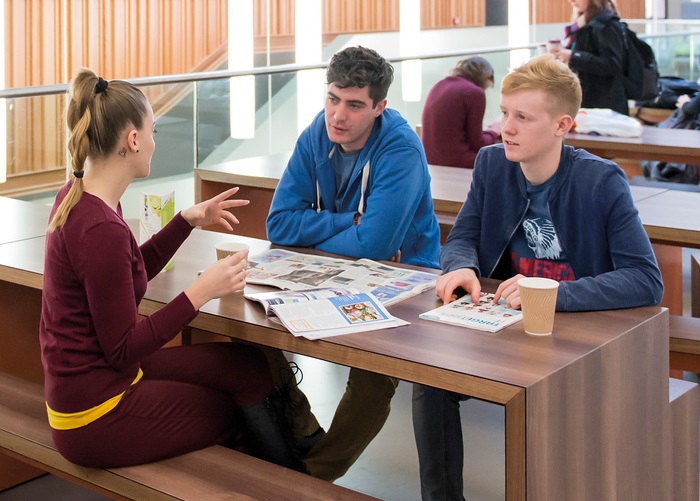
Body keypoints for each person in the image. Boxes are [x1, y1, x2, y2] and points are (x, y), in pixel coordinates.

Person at [412, 54, 663, 500]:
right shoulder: (492, 164)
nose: (505, 126)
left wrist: (552, 294)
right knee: (430, 379)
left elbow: (646, 279)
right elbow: (463, 236)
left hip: (573, 331)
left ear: (562, 125)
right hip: (508, 325)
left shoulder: (602, 181)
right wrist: (461, 266)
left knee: (549, 414)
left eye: (522, 117)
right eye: (505, 112)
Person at [39, 69, 304, 471]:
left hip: (99, 383)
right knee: (230, 409)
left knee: (246, 365)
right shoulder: (100, 227)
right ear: (132, 140)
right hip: (94, 415)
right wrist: (201, 291)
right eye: (153, 131)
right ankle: (294, 485)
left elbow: (120, 279)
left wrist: (186, 221)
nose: (153, 142)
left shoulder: (83, 196)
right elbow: (124, 347)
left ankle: (302, 472)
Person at [266, 45, 441, 481]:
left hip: (408, 278)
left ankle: (311, 476)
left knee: (372, 373)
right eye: (332, 99)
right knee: (251, 328)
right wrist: (351, 222)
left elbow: (378, 244)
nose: (338, 116)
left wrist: (345, 233)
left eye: (355, 105)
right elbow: (278, 224)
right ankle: (303, 430)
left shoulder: (400, 148)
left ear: (380, 107)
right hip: (331, 272)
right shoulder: (317, 133)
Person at [420, 57, 501, 168]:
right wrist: (494, 131)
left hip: (429, 161)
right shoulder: (475, 92)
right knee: (502, 160)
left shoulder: (439, 85)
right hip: (456, 163)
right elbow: (478, 144)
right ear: (487, 77)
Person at [552, 0, 628, 115]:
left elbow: (612, 64)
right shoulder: (581, 24)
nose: (571, 1)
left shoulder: (606, 24)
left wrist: (573, 55)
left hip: (603, 104)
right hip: (588, 98)